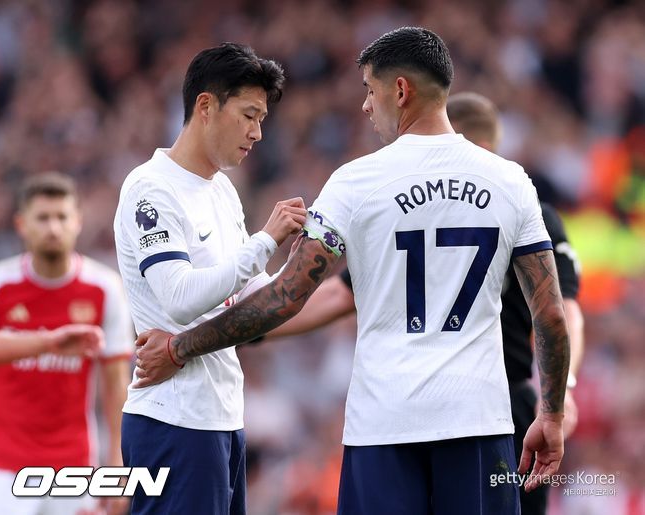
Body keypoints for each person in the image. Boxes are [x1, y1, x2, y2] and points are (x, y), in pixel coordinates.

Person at [134, 28, 570, 515]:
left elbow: (286, 295)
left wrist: (180, 347)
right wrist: (552, 414)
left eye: (369, 89)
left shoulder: (356, 182)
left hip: (383, 426)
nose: (365, 105)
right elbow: (550, 313)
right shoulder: (511, 181)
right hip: (480, 423)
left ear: (399, 91)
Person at [269, 91, 585, 515]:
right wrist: (559, 395)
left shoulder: (410, 203)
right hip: (484, 407)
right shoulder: (515, 200)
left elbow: (564, 311)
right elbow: (560, 312)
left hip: (431, 404)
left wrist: (560, 391)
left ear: (479, 147)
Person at [113, 43, 306, 515]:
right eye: (249, 115)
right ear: (206, 106)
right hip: (172, 420)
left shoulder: (221, 189)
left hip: (222, 418)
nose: (257, 132)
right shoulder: (150, 188)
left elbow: (255, 296)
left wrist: (310, 259)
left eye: (261, 119)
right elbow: (179, 297)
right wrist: (265, 240)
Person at [0, 172, 133, 515]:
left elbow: (116, 386)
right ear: (22, 224)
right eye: (43, 218)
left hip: (73, 464)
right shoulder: (0, 284)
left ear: (78, 222)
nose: (53, 227)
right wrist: (45, 343)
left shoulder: (105, 288)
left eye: (62, 217)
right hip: (3, 465)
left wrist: (117, 463)